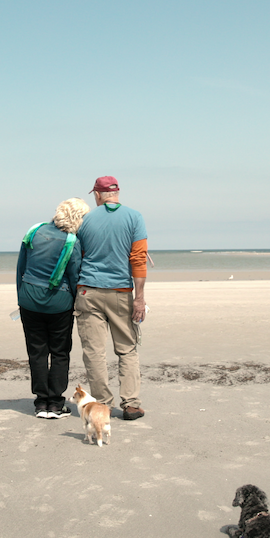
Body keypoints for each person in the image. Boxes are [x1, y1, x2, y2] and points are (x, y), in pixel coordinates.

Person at [74, 176, 148, 420]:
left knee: (94, 351)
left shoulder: (84, 219)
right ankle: (131, 404)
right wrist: (140, 298)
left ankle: (103, 404)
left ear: (97, 195)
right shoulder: (134, 217)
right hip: (121, 292)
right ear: (117, 193)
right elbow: (138, 259)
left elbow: (76, 257)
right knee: (127, 349)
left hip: (88, 291)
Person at [16, 198, 91, 419]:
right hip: (59, 304)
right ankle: (56, 404)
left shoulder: (34, 231)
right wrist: (78, 303)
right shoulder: (72, 241)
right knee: (59, 352)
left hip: (29, 299)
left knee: (36, 351)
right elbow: (74, 275)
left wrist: (21, 297)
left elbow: (21, 267)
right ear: (77, 218)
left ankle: (41, 403)